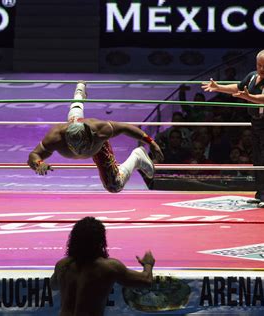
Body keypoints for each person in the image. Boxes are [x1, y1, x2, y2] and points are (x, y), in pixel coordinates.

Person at [28, 81, 164, 193]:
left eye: (84, 146)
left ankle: (137, 157)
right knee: (74, 115)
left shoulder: (100, 131)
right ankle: (79, 92)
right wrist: (39, 164)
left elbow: (125, 127)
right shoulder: (55, 137)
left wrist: (151, 142)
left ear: (90, 136)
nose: (80, 152)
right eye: (76, 148)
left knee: (114, 185)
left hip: (98, 147)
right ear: (66, 140)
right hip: (75, 129)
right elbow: (33, 156)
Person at [202, 49, 264, 208]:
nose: (262, 69)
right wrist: (218, 87)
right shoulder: (253, 76)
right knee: (257, 158)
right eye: (259, 65)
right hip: (256, 122)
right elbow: (239, 87)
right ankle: (260, 194)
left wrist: (248, 97)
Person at [51, 216, 155, 316]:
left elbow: (53, 285)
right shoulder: (109, 267)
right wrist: (148, 264)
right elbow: (146, 281)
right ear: (101, 242)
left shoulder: (62, 265)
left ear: (73, 240)